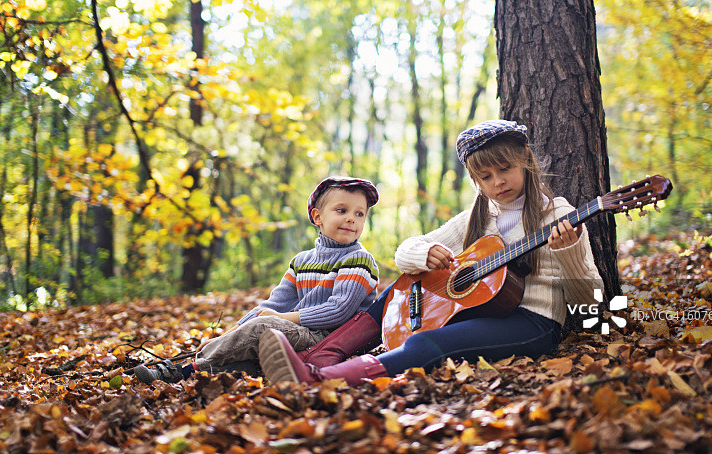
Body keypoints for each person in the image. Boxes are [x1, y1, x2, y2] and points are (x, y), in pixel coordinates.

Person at [258, 119, 605, 386]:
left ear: (525, 161)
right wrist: (425, 255)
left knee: (429, 343)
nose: (498, 182)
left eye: (505, 169)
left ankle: (317, 381)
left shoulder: (558, 214)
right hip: (481, 310)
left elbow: (589, 303)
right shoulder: (478, 215)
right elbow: (406, 250)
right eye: (485, 176)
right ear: (476, 181)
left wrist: (570, 252)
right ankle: (318, 359)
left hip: (531, 322)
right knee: (397, 291)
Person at [134, 176, 381, 384]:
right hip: (303, 331)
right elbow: (274, 304)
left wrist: (283, 319)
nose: (352, 218)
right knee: (248, 361)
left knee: (264, 329)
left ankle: (185, 368)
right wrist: (231, 332)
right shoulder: (302, 261)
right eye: (342, 210)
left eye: (360, 214)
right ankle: (184, 376)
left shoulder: (359, 260)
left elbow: (339, 310)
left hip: (329, 338)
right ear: (317, 217)